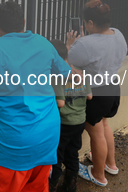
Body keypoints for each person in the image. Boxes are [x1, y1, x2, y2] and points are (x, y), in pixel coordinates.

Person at [0, 0, 72, 192]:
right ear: (23, 20)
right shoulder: (43, 43)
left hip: (13, 147)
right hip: (47, 138)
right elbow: (66, 74)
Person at [65, 0, 127, 187]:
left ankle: (99, 175)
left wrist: (70, 45)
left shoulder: (85, 44)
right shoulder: (118, 34)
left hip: (95, 93)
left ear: (90, 23)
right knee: (105, 125)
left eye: (85, 22)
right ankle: (111, 164)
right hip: (113, 88)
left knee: (96, 134)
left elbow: (69, 63)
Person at [49, 40, 92, 192]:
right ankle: (70, 186)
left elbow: (60, 103)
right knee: (73, 154)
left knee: (57, 156)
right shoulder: (80, 71)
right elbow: (90, 96)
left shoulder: (58, 76)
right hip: (80, 121)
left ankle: (52, 186)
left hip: (64, 124)